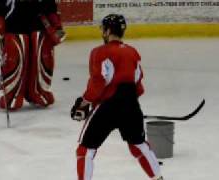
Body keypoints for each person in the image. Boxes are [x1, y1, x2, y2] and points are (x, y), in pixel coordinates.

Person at [70, 14, 164, 180]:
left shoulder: (99, 52)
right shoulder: (132, 52)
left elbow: (98, 82)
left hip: (107, 107)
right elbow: (138, 86)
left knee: (85, 151)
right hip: (131, 105)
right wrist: (128, 106)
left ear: (106, 31)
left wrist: (84, 102)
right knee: (139, 146)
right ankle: (158, 178)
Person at [0, 0, 65, 110]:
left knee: (41, 51)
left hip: (38, 18)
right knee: (15, 52)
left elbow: (50, 5)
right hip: (13, 19)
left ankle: (38, 91)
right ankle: (12, 93)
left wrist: (54, 18)